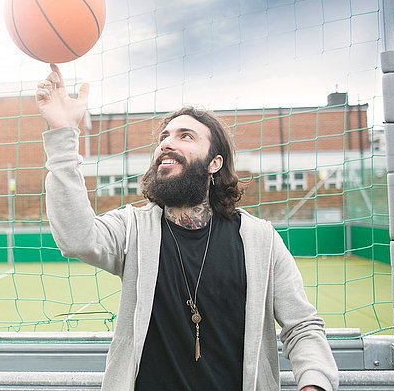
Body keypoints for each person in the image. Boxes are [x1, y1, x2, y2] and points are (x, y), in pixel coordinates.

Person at [36, 64, 339, 391]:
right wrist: (63, 134)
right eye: (164, 137)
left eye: (185, 136)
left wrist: (314, 383)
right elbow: (77, 238)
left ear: (214, 162)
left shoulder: (259, 240)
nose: (166, 143)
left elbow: (302, 326)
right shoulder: (134, 229)